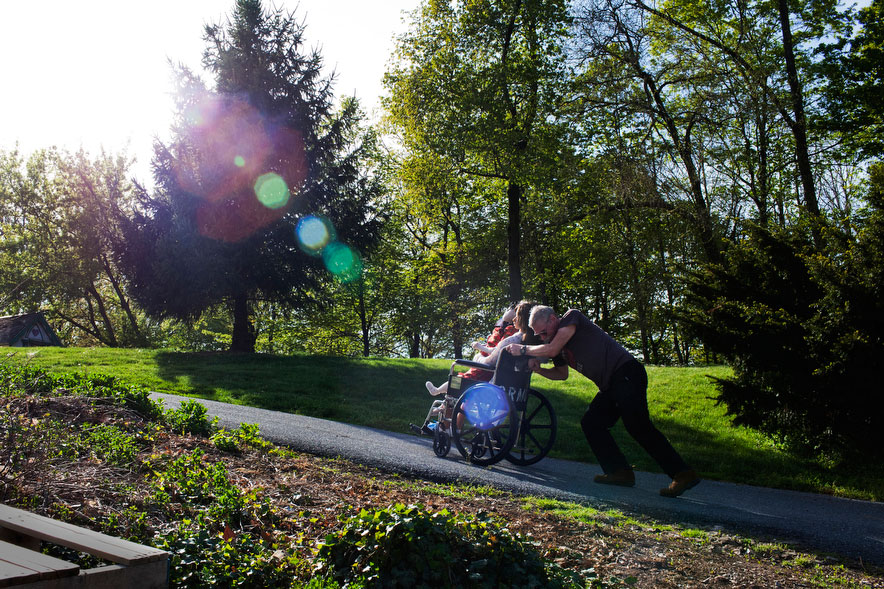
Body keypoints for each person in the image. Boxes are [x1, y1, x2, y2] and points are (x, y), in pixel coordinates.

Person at [506, 306, 700, 498]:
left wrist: (522, 349)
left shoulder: (572, 318)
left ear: (553, 319)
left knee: (638, 426)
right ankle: (619, 472)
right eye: (538, 335)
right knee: (592, 422)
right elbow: (561, 374)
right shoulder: (555, 346)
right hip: (610, 385)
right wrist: (539, 370)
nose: (542, 337)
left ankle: (683, 473)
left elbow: (551, 349)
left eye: (543, 332)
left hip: (626, 373)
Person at [425, 305, 519, 396]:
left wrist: (480, 347)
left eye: (510, 309)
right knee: (463, 379)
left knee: (461, 379)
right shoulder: (505, 330)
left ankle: (437, 391)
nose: (506, 310)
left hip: (487, 368)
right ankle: (441, 398)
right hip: (487, 365)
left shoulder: (511, 332)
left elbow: (497, 350)